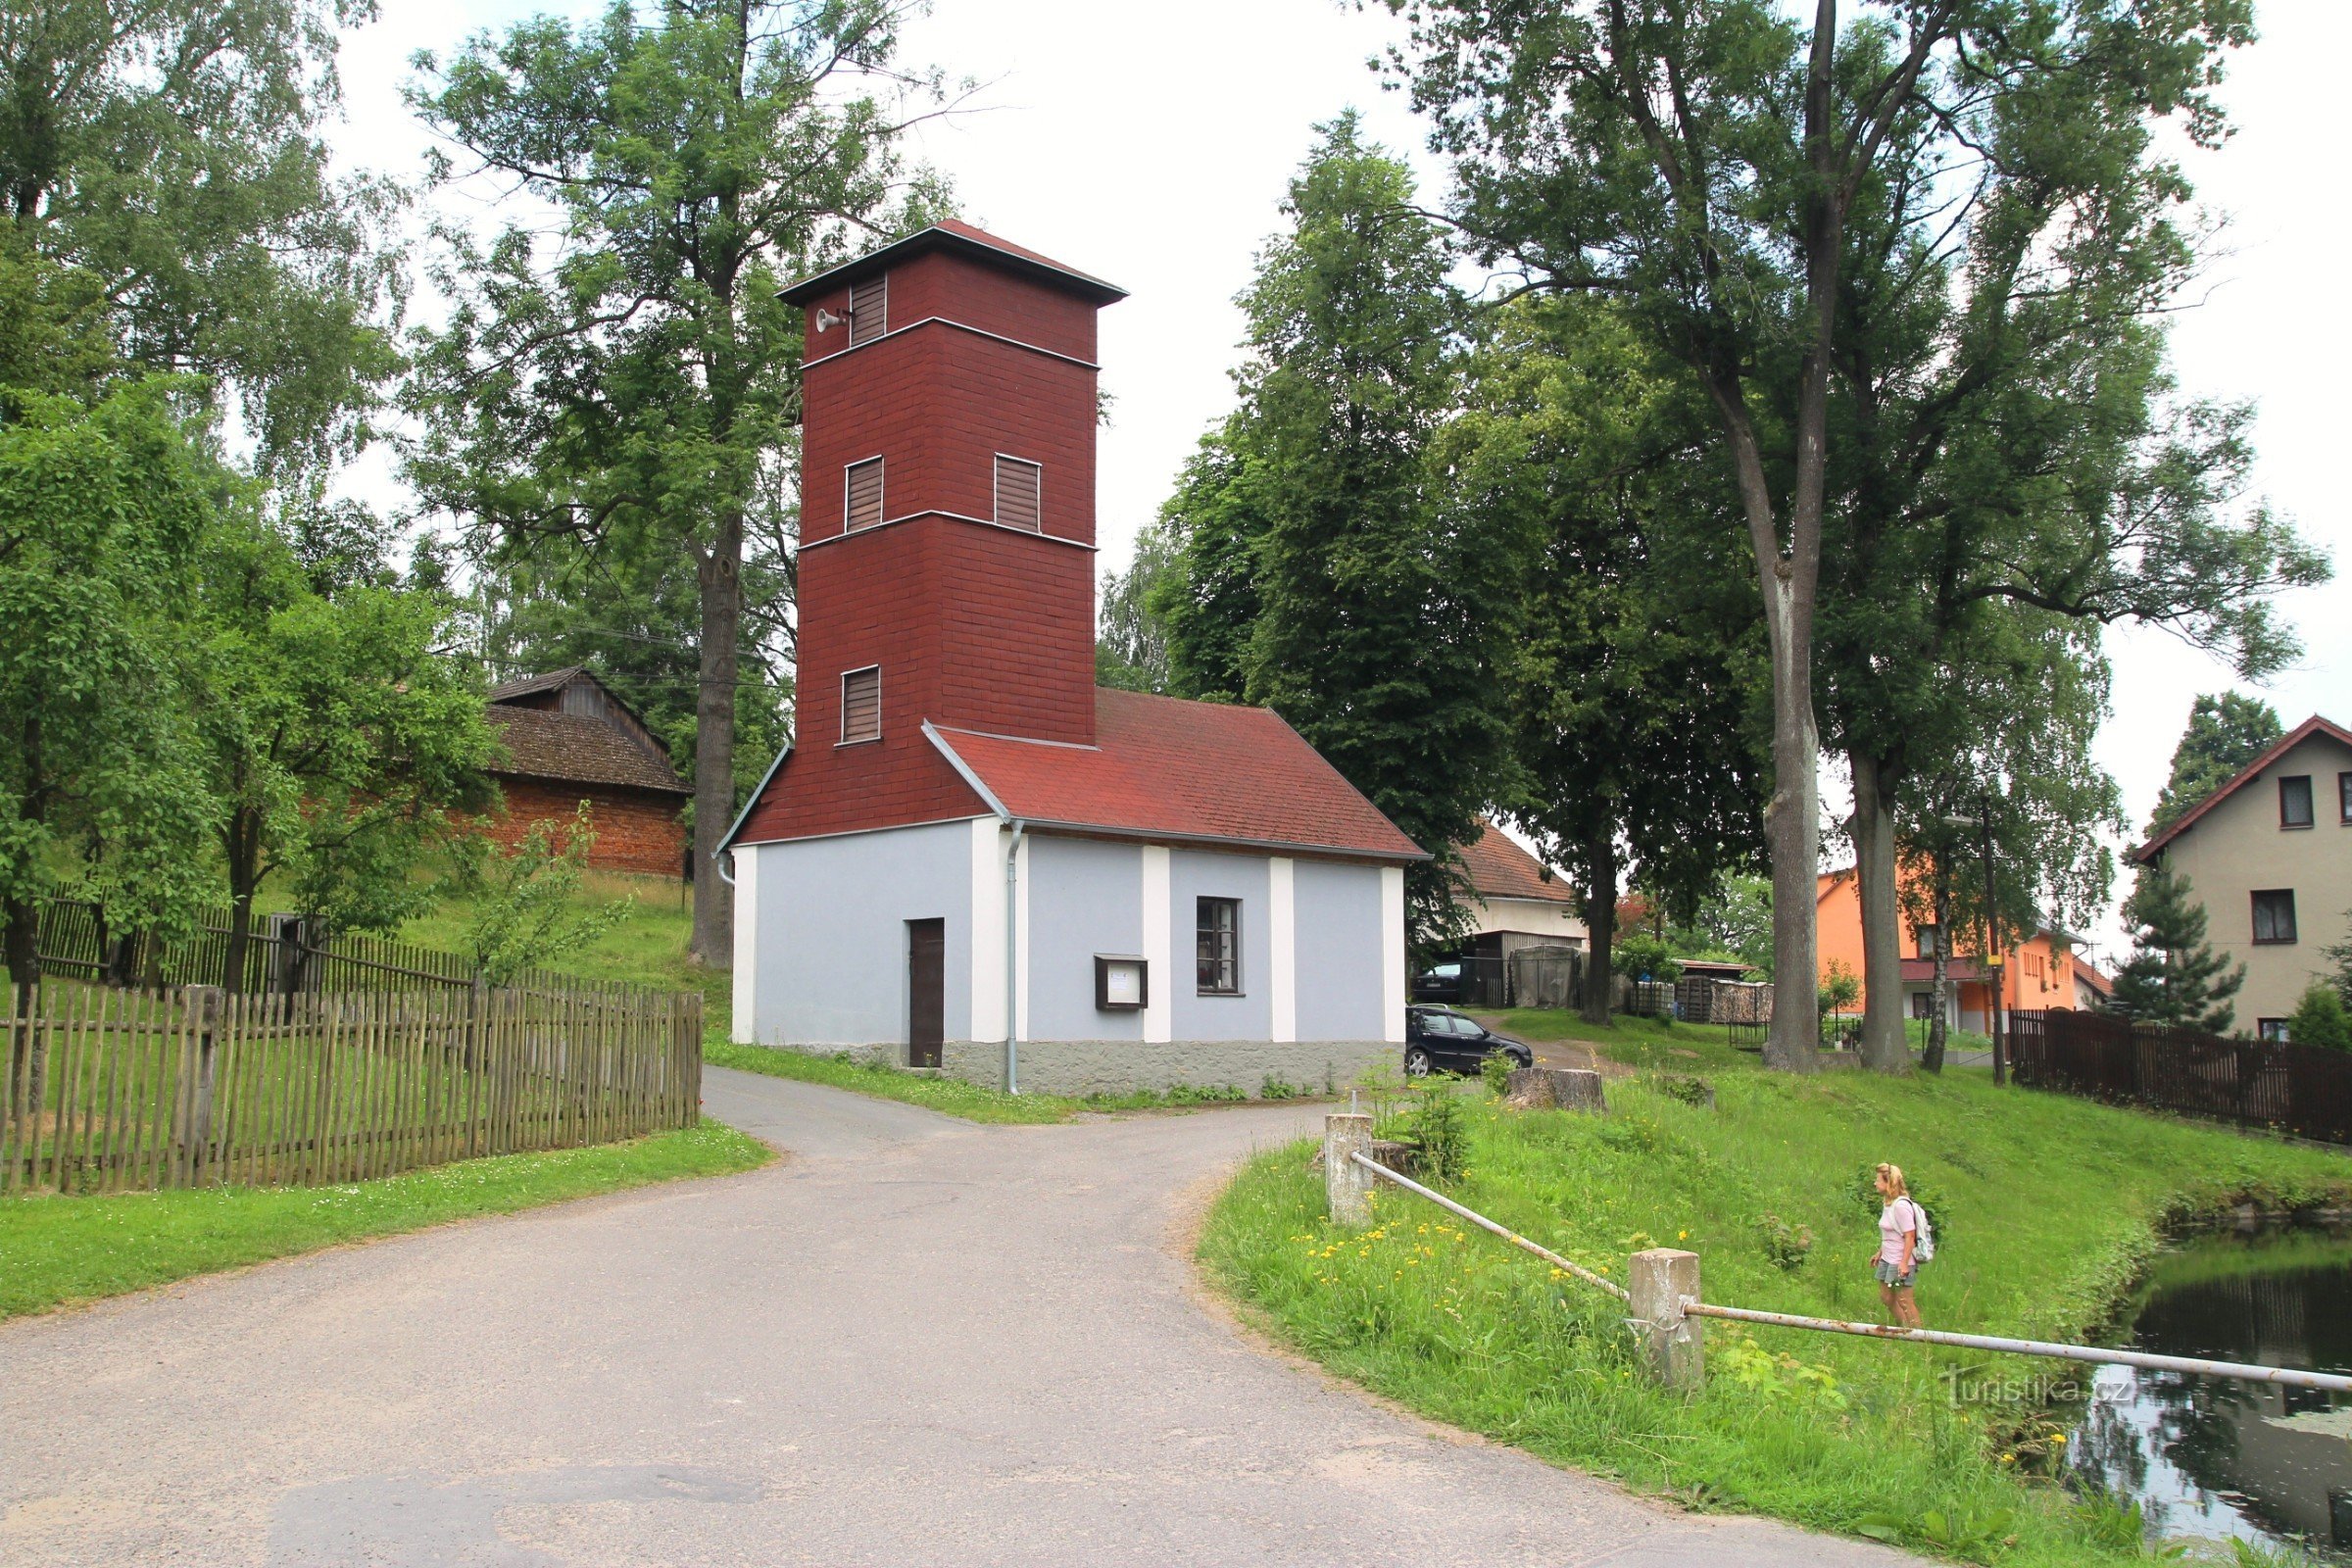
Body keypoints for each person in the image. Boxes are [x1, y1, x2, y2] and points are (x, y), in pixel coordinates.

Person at [1873, 1162, 1924, 1329]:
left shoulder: (1901, 1206)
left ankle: (1920, 1337)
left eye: (1878, 1180)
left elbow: (1910, 1236)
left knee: (1905, 1301)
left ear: (1888, 1182)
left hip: (1900, 1260)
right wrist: (1880, 1252)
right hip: (1887, 1258)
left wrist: (1903, 1263)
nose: (1875, 1183)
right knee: (1886, 1297)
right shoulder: (1887, 1203)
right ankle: (1903, 1328)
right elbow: (1892, 1233)